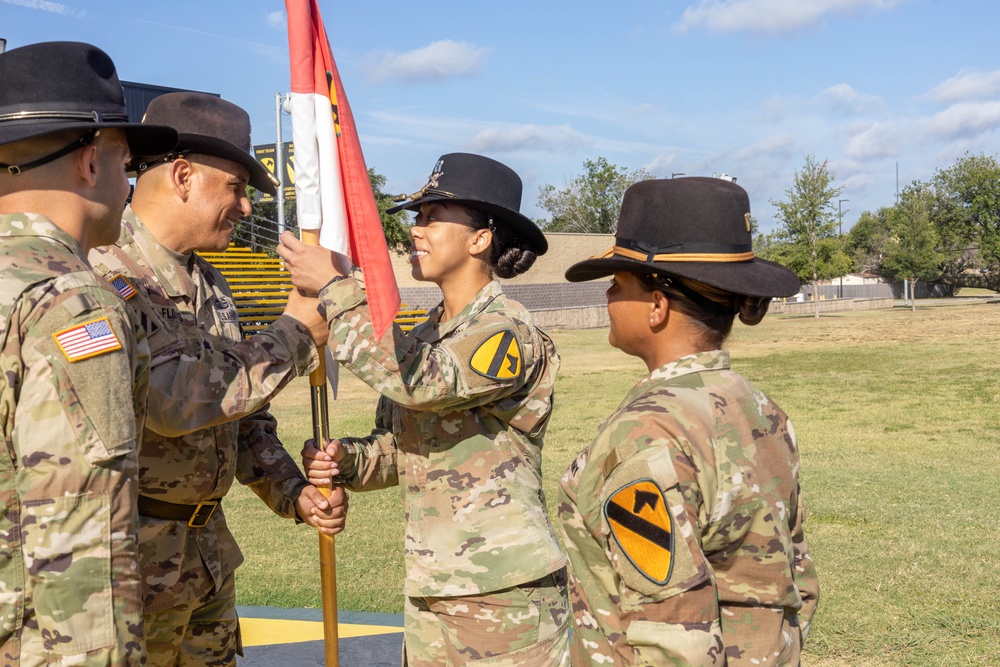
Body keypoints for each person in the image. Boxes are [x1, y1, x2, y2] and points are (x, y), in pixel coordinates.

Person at [278, 153, 570, 666]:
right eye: (417, 216)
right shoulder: (423, 337)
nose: (416, 229)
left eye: (433, 217)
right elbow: (402, 449)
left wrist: (336, 290)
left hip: (503, 592)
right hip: (435, 584)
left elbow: (422, 383)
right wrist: (345, 459)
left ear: (481, 239)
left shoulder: (508, 332)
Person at [87, 92, 345, 667]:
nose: (247, 209)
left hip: (205, 558)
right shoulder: (100, 271)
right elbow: (173, 402)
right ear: (182, 175)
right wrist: (295, 333)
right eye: (236, 187)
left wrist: (293, 491)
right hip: (129, 567)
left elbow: (241, 414)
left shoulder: (211, 284)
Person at [557, 177, 820, 665]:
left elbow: (676, 635)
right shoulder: (760, 408)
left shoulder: (648, 432)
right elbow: (795, 579)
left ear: (657, 306)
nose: (609, 296)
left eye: (619, 283)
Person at [0, 41, 178, 665]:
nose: (129, 187)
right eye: (126, 165)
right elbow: (81, 548)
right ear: (89, 160)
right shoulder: (71, 303)